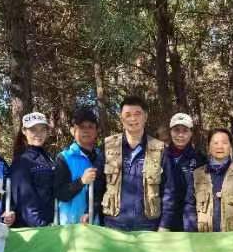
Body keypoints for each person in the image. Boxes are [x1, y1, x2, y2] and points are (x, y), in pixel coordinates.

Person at [100, 96, 176, 232]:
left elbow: (169, 191)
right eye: (127, 115)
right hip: (113, 225)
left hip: (149, 226)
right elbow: (98, 186)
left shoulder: (160, 149)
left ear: (145, 117)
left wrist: (165, 225)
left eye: (137, 114)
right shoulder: (108, 147)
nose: (133, 119)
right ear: (121, 118)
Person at [184, 129, 233, 232]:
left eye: (224, 143)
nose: (220, 147)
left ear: (230, 147)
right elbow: (189, 206)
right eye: (215, 143)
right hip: (204, 237)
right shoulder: (197, 174)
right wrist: (192, 234)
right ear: (208, 147)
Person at [54, 106, 104, 225]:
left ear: (96, 131)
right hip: (71, 226)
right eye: (81, 127)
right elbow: (60, 193)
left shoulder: (102, 156)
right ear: (72, 130)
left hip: (98, 227)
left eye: (90, 127)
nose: (86, 131)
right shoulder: (64, 157)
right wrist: (81, 181)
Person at [10, 112, 56, 227]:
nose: (38, 134)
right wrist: (41, 227)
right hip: (34, 229)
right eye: (33, 130)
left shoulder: (47, 158)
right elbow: (25, 203)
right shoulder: (22, 161)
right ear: (24, 131)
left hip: (50, 224)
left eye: (42, 129)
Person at [166, 112, 206, 231]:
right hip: (164, 219)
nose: (180, 135)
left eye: (185, 130)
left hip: (190, 220)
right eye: (176, 130)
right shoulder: (160, 156)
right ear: (170, 132)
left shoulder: (200, 159)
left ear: (191, 133)